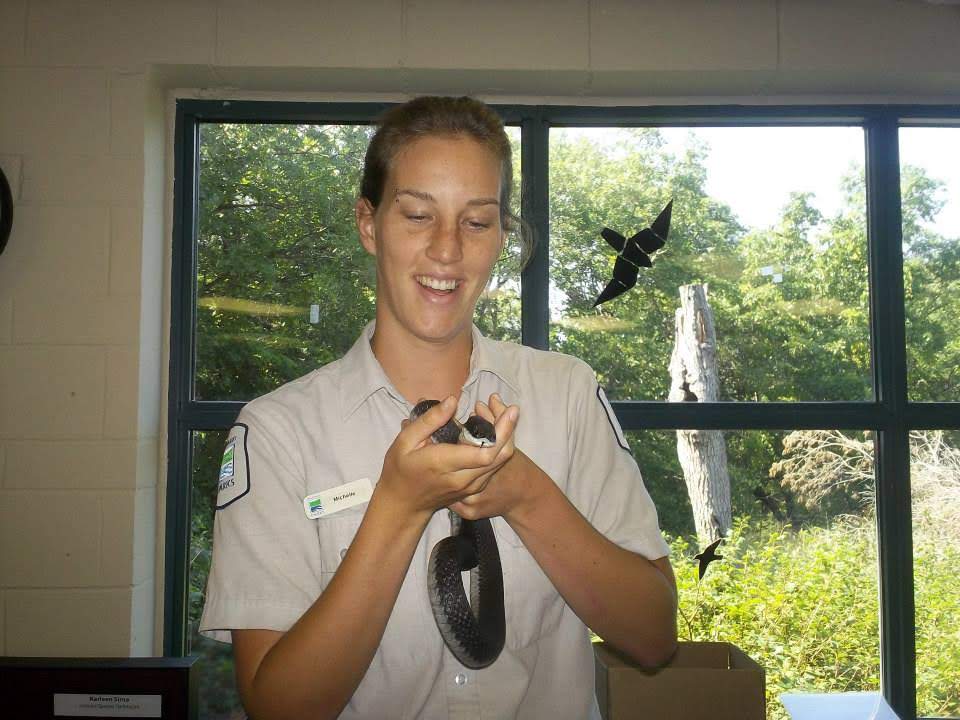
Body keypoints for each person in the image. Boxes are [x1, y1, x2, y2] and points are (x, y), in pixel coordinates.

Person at [199, 96, 677, 720]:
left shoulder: (567, 395)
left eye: (477, 222)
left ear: (502, 235)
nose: (447, 251)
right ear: (369, 225)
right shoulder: (277, 433)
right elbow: (278, 707)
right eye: (419, 215)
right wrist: (396, 508)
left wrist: (529, 496)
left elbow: (652, 636)